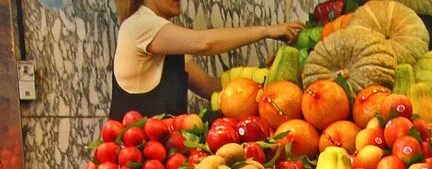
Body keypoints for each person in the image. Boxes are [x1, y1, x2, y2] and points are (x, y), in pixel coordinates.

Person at [112, 0, 303, 118]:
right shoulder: (139, 25)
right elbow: (203, 44)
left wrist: (268, 80)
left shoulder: (162, 35)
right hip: (133, 165)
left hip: (160, 160)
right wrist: (266, 30)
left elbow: (208, 86)